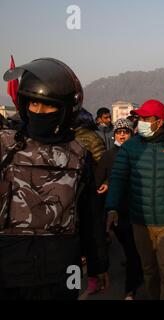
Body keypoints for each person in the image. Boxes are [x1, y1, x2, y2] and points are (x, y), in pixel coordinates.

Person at [0, 58, 109, 300]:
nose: (39, 111)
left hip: (59, 271)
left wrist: (97, 264)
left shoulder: (79, 155)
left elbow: (91, 215)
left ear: (65, 110)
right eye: (34, 103)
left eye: (48, 106)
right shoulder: (5, 146)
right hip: (8, 268)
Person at [105, 100, 164, 300]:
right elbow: (118, 178)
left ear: (159, 122)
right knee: (149, 270)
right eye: (139, 118)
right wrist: (112, 207)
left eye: (146, 119)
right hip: (140, 221)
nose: (141, 123)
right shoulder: (130, 148)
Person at [96, 118, 143, 300]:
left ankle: (130, 290)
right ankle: (137, 273)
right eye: (119, 132)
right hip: (116, 211)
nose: (122, 135)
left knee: (132, 251)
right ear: (114, 134)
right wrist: (106, 184)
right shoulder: (108, 155)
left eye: (126, 131)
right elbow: (98, 179)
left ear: (132, 133)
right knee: (129, 248)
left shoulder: (138, 153)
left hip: (136, 208)